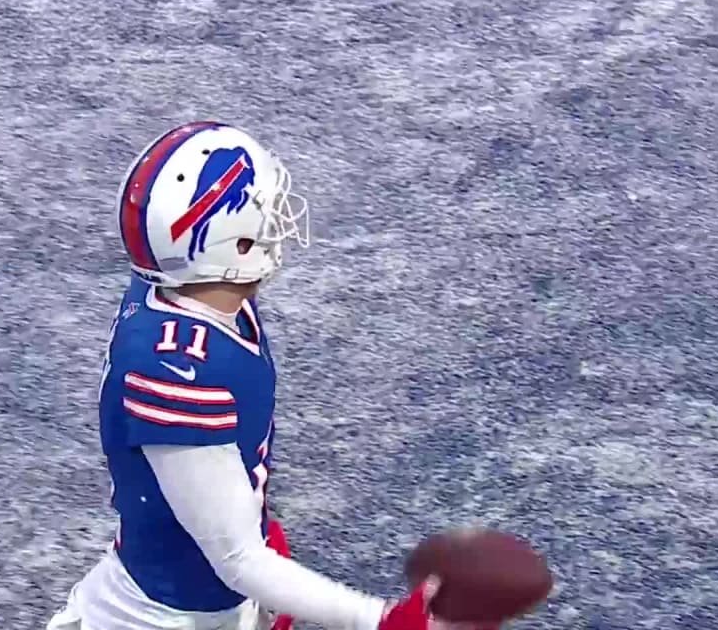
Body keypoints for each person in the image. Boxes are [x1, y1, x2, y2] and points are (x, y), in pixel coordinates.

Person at [48, 121, 468, 630]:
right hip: (165, 617)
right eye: (262, 211)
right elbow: (239, 560)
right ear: (233, 246)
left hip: (191, 596)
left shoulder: (193, 295)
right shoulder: (179, 370)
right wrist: (379, 620)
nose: (277, 217)